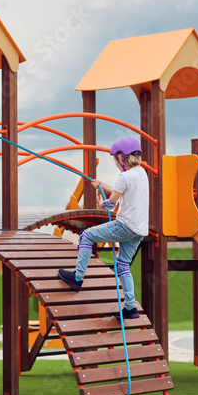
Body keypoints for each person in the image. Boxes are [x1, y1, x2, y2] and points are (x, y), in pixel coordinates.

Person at [58, 136, 149, 319]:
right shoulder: (141, 173)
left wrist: (101, 201)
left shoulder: (124, 176)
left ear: (122, 157)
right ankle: (130, 307)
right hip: (139, 231)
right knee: (123, 264)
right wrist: (101, 184)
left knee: (86, 236)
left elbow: (109, 205)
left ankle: (77, 277)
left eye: (116, 159)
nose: (116, 163)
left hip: (124, 226)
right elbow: (119, 190)